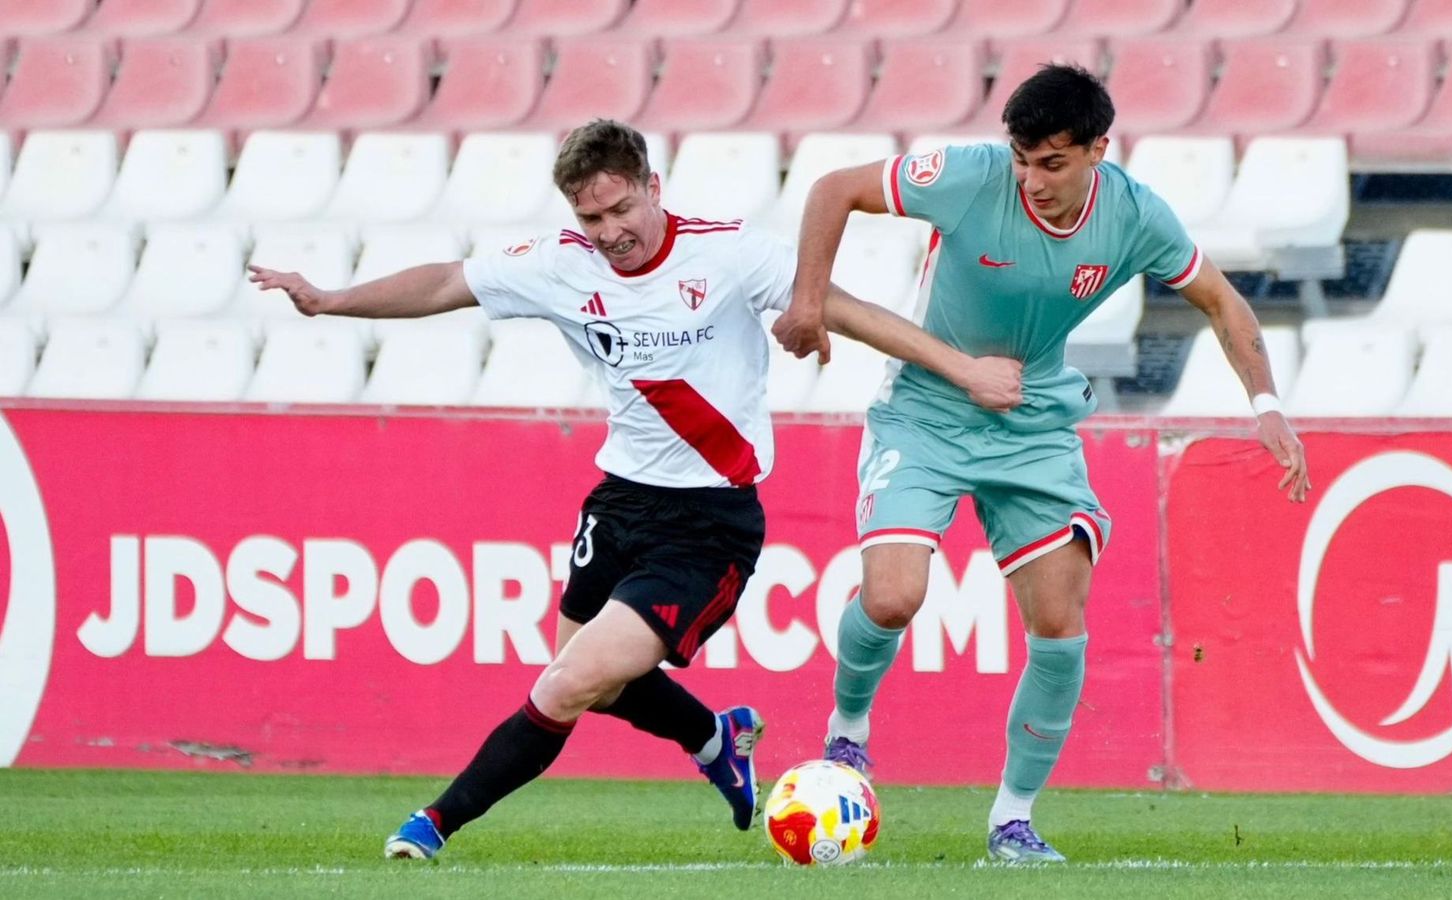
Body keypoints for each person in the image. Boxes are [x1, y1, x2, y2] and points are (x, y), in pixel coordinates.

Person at [248, 119, 1024, 860]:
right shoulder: (559, 263)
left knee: (570, 681)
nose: (610, 230)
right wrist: (330, 299)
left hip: (708, 524)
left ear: (655, 186)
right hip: (619, 502)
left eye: (621, 207)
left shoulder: (729, 256)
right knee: (597, 681)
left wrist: (963, 371)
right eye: (592, 217)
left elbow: (852, 313)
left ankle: (432, 823)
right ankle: (717, 737)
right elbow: (449, 281)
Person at [772, 64, 1312, 864]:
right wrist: (810, 303)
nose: (1031, 180)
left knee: (1060, 625)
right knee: (891, 598)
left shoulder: (1133, 215)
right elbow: (831, 189)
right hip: (926, 412)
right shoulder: (970, 178)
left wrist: (1266, 405)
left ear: (1099, 149)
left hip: (1032, 421)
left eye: (1052, 164)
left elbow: (1223, 302)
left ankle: (1012, 822)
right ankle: (848, 730)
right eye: (1022, 159)